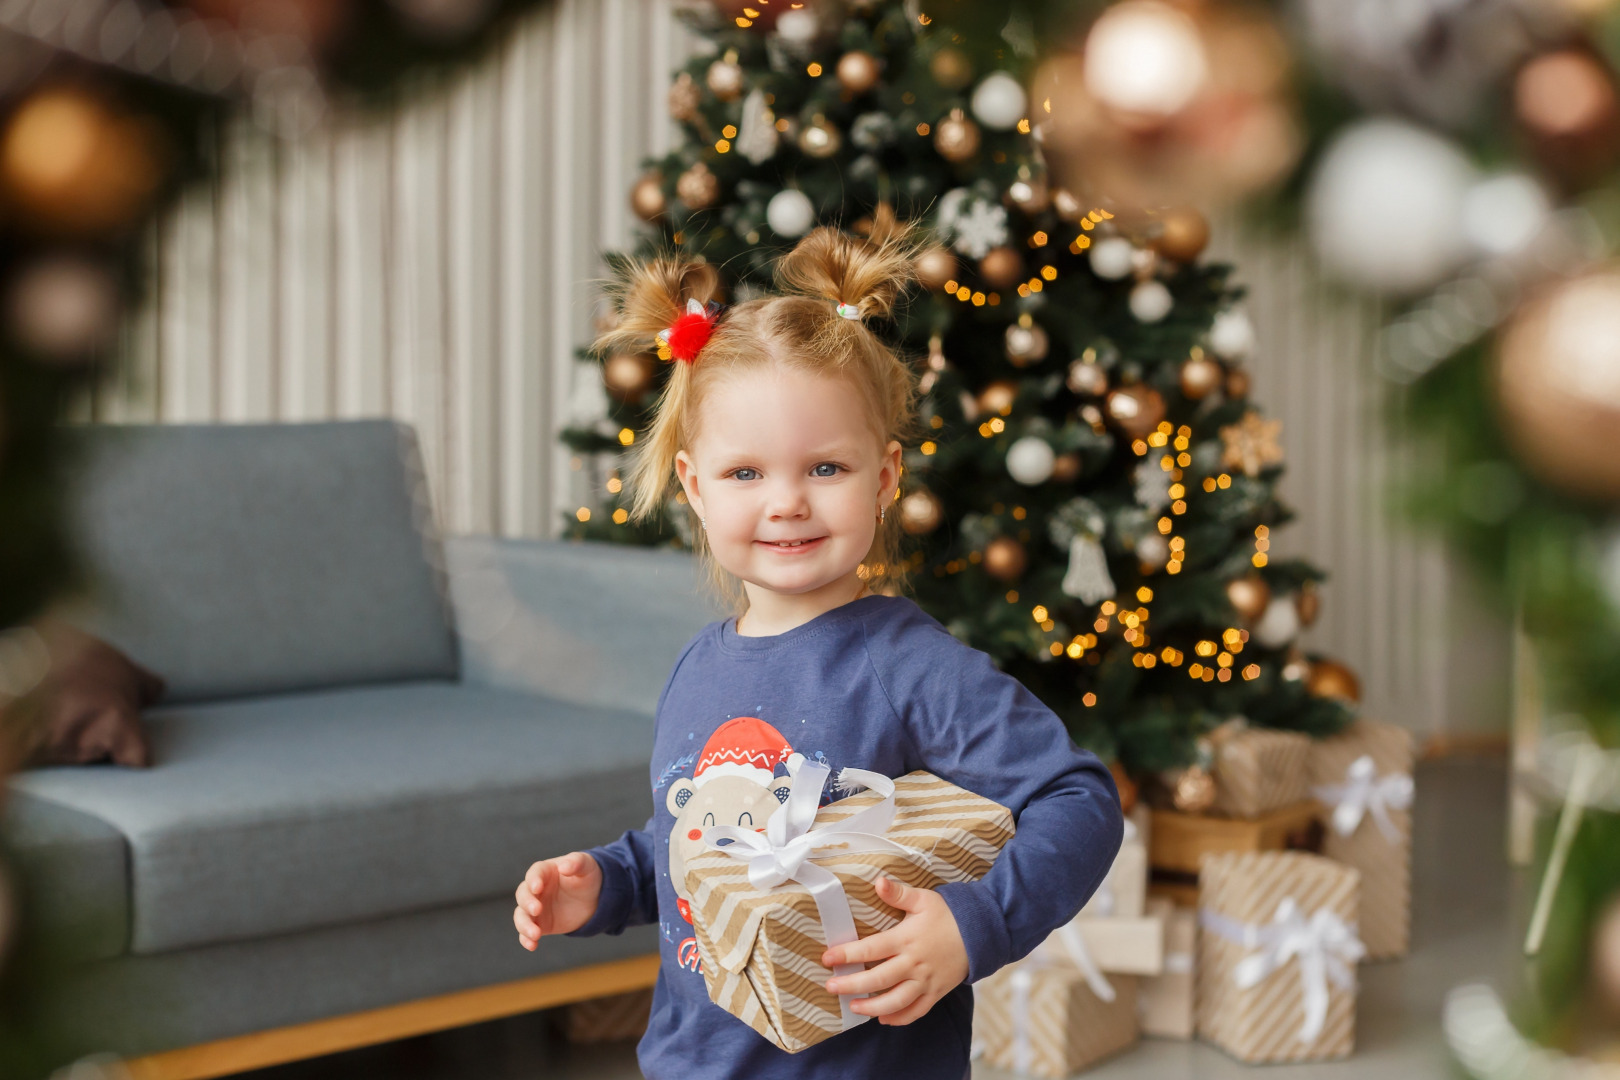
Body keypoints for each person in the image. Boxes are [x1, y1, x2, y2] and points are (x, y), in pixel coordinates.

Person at [512, 225, 1123, 1080]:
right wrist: (610, 884)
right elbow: (697, 846)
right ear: (694, 485)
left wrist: (971, 923)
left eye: (826, 469)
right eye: (746, 474)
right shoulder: (698, 666)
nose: (788, 503)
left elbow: (1079, 798)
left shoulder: (906, 665)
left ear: (884, 476)